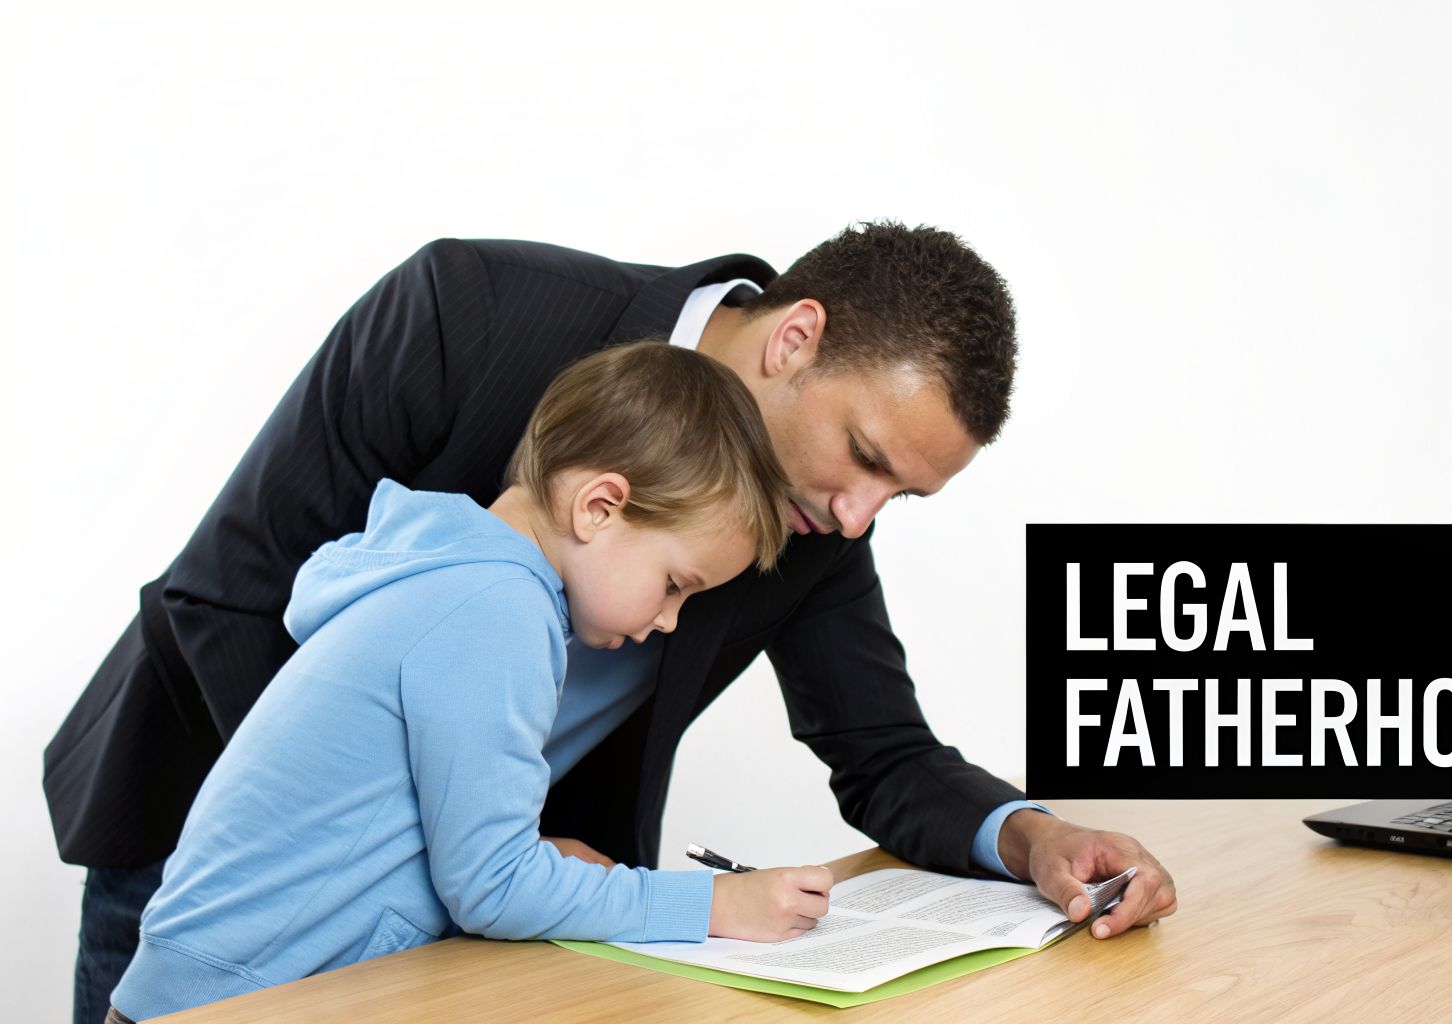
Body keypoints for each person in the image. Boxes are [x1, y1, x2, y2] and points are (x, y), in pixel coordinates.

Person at [47, 222, 1178, 1024]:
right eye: (867, 460)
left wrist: (1031, 840)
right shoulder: (470, 308)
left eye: (899, 500)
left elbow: (882, 751)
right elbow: (234, 590)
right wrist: (417, 850)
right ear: (795, 339)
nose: (856, 516)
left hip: (467, 909)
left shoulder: (818, 524)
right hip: (212, 839)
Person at [106, 342, 836, 1022]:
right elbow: (493, 889)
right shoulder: (498, 611)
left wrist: (537, 852)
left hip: (213, 990)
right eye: (675, 584)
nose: (670, 621)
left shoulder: (452, 575)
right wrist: (713, 903)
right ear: (599, 507)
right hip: (233, 1004)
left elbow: (414, 834)